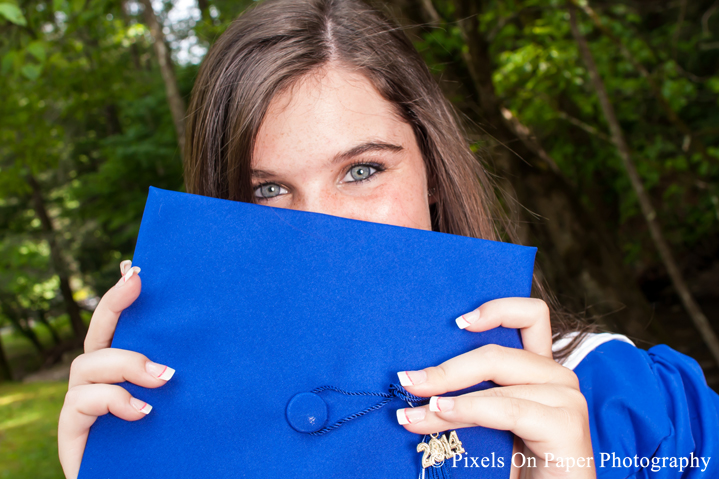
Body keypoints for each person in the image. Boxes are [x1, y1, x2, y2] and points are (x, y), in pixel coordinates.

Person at [57, 0, 719, 478]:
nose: (321, 225)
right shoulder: (182, 437)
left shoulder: (638, 408)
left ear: (431, 168)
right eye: (265, 189)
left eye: (362, 169)